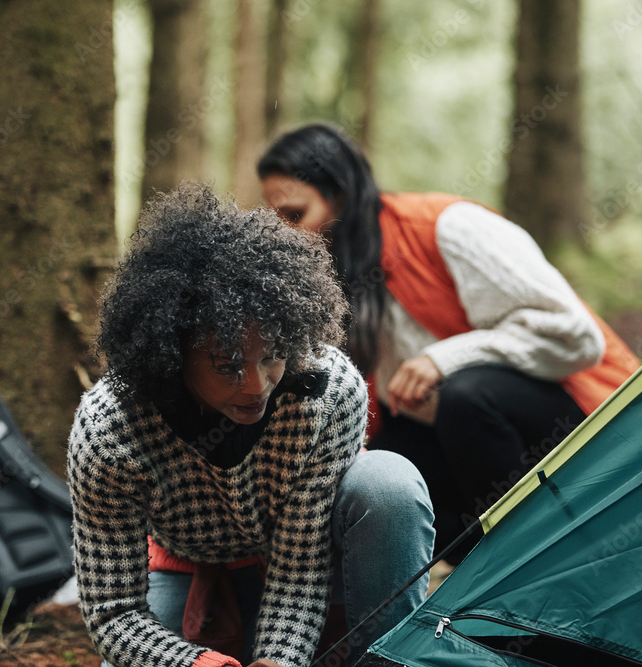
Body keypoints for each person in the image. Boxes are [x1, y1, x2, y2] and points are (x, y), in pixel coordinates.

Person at [67, 184, 435, 667]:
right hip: (189, 568)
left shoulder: (327, 391)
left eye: (273, 356)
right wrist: (194, 663)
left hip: (313, 568)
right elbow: (112, 612)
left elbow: (300, 566)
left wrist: (279, 659)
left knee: (389, 484)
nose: (255, 386)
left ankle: (386, 660)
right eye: (227, 366)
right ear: (174, 354)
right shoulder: (110, 429)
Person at [257, 122, 639, 563]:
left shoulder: (447, 227)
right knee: (380, 475)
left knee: (465, 396)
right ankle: (481, 592)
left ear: (339, 194)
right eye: (276, 221)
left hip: (592, 421)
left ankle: (538, 563)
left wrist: (444, 359)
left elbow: (576, 337)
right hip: (468, 444)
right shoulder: (338, 274)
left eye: (295, 216)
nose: (287, 237)